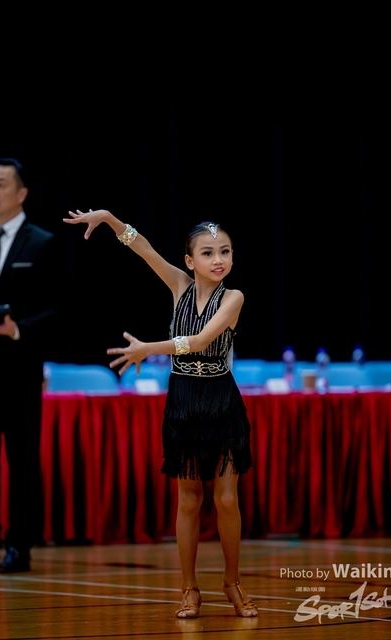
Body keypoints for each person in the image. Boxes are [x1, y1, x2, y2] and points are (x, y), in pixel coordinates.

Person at [63, 208, 258, 618]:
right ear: (190, 260)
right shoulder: (179, 285)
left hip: (221, 400)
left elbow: (201, 341)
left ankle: (232, 582)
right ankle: (189, 589)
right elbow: (144, 249)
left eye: (225, 251)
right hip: (184, 401)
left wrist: (148, 349)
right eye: (208, 253)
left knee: (226, 498)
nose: (218, 259)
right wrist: (110, 219)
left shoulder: (234, 298)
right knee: (189, 498)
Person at [0, 157, 59, 572]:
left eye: (0, 184)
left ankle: (20, 545)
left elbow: (58, 309)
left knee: (21, 462)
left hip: (18, 370)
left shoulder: (41, 243)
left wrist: (18, 329)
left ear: (21, 193)